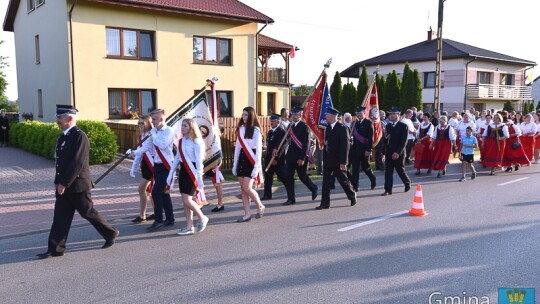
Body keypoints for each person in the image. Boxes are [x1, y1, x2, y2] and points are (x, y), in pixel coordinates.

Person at [37, 105, 118, 259]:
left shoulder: (80, 136)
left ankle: (110, 232)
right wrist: (57, 181)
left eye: (60, 118)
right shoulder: (62, 137)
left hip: (78, 185)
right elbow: (60, 163)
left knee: (88, 212)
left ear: (70, 118)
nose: (57, 121)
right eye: (58, 117)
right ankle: (55, 248)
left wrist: (64, 183)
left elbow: (77, 163)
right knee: (60, 217)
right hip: (64, 185)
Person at [132, 109, 176, 231]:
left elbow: (162, 144)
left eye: (154, 120)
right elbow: (146, 147)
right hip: (157, 165)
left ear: (161, 119)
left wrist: (154, 133)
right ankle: (170, 219)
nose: (152, 122)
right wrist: (134, 152)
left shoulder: (169, 131)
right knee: (163, 193)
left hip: (167, 165)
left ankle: (158, 220)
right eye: (152, 120)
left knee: (156, 192)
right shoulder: (154, 131)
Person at [167, 118, 209, 235]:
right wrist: (171, 173)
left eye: (185, 126)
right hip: (184, 171)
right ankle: (189, 226)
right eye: (182, 126)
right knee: (184, 200)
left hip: (193, 171)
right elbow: (177, 159)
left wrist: (199, 178)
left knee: (187, 199)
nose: (182, 128)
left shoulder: (196, 141)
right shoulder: (181, 141)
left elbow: (199, 161)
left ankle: (202, 217)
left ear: (191, 128)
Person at [317, 107, 356, 209]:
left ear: (332, 116)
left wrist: (343, 162)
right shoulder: (328, 128)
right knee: (325, 183)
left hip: (338, 161)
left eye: (327, 115)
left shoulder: (342, 128)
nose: (325, 116)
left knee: (343, 180)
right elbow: (327, 145)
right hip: (328, 160)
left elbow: (345, 147)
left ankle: (352, 195)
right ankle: (324, 203)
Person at [232, 106, 265, 222]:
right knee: (243, 189)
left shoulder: (256, 130)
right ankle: (247, 214)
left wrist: (256, 168)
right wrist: (234, 164)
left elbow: (259, 151)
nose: (244, 117)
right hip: (242, 159)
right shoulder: (240, 129)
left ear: (251, 116)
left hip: (252, 160)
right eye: (243, 115)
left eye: (246, 115)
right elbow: (237, 148)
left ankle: (260, 205)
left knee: (247, 187)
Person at [282, 106, 318, 205]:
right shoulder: (290, 126)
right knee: (288, 176)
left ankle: (313, 187)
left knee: (302, 176)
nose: (293, 116)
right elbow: (286, 139)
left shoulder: (304, 127)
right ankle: (291, 199)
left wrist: (302, 158)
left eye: (295, 115)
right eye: (292, 115)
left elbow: (306, 144)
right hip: (290, 156)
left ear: (300, 115)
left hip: (300, 156)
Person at [129, 115, 156, 223]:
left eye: (142, 123)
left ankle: (143, 215)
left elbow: (145, 149)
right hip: (145, 164)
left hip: (152, 164)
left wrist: (133, 152)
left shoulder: (151, 134)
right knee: (148, 191)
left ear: (148, 123)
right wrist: (133, 167)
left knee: (143, 190)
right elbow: (140, 154)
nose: (139, 125)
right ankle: (153, 213)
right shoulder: (141, 135)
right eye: (138, 123)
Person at [381, 107, 411, 196]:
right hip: (389, 152)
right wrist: (383, 153)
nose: (392, 115)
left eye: (394, 114)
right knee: (388, 172)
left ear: (398, 115)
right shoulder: (388, 126)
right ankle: (388, 189)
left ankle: (407, 182)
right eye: (390, 114)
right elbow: (385, 140)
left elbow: (404, 141)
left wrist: (397, 152)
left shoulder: (403, 126)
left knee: (400, 170)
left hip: (399, 153)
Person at [349, 106, 376, 191]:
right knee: (355, 169)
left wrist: (369, 149)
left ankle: (372, 178)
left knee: (365, 168)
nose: (358, 115)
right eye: (357, 113)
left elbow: (370, 138)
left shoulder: (368, 123)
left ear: (364, 113)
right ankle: (355, 186)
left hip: (364, 150)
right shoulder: (354, 123)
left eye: (360, 113)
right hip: (355, 150)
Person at [261, 114, 287, 200]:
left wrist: (275, 159)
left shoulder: (281, 131)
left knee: (283, 177)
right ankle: (267, 195)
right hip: (269, 159)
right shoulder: (270, 132)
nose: (271, 123)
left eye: (273, 121)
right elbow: (269, 146)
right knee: (268, 177)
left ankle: (290, 191)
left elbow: (281, 146)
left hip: (277, 160)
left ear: (278, 122)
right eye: (271, 121)